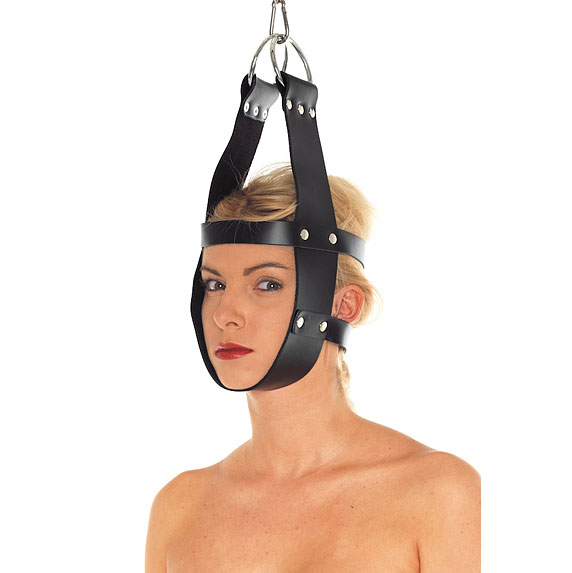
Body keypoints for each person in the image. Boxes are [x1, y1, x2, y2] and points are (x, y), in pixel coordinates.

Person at [145, 162, 481, 572]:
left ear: (344, 306)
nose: (224, 314)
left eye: (267, 284)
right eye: (215, 284)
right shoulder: (179, 507)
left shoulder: (439, 493)